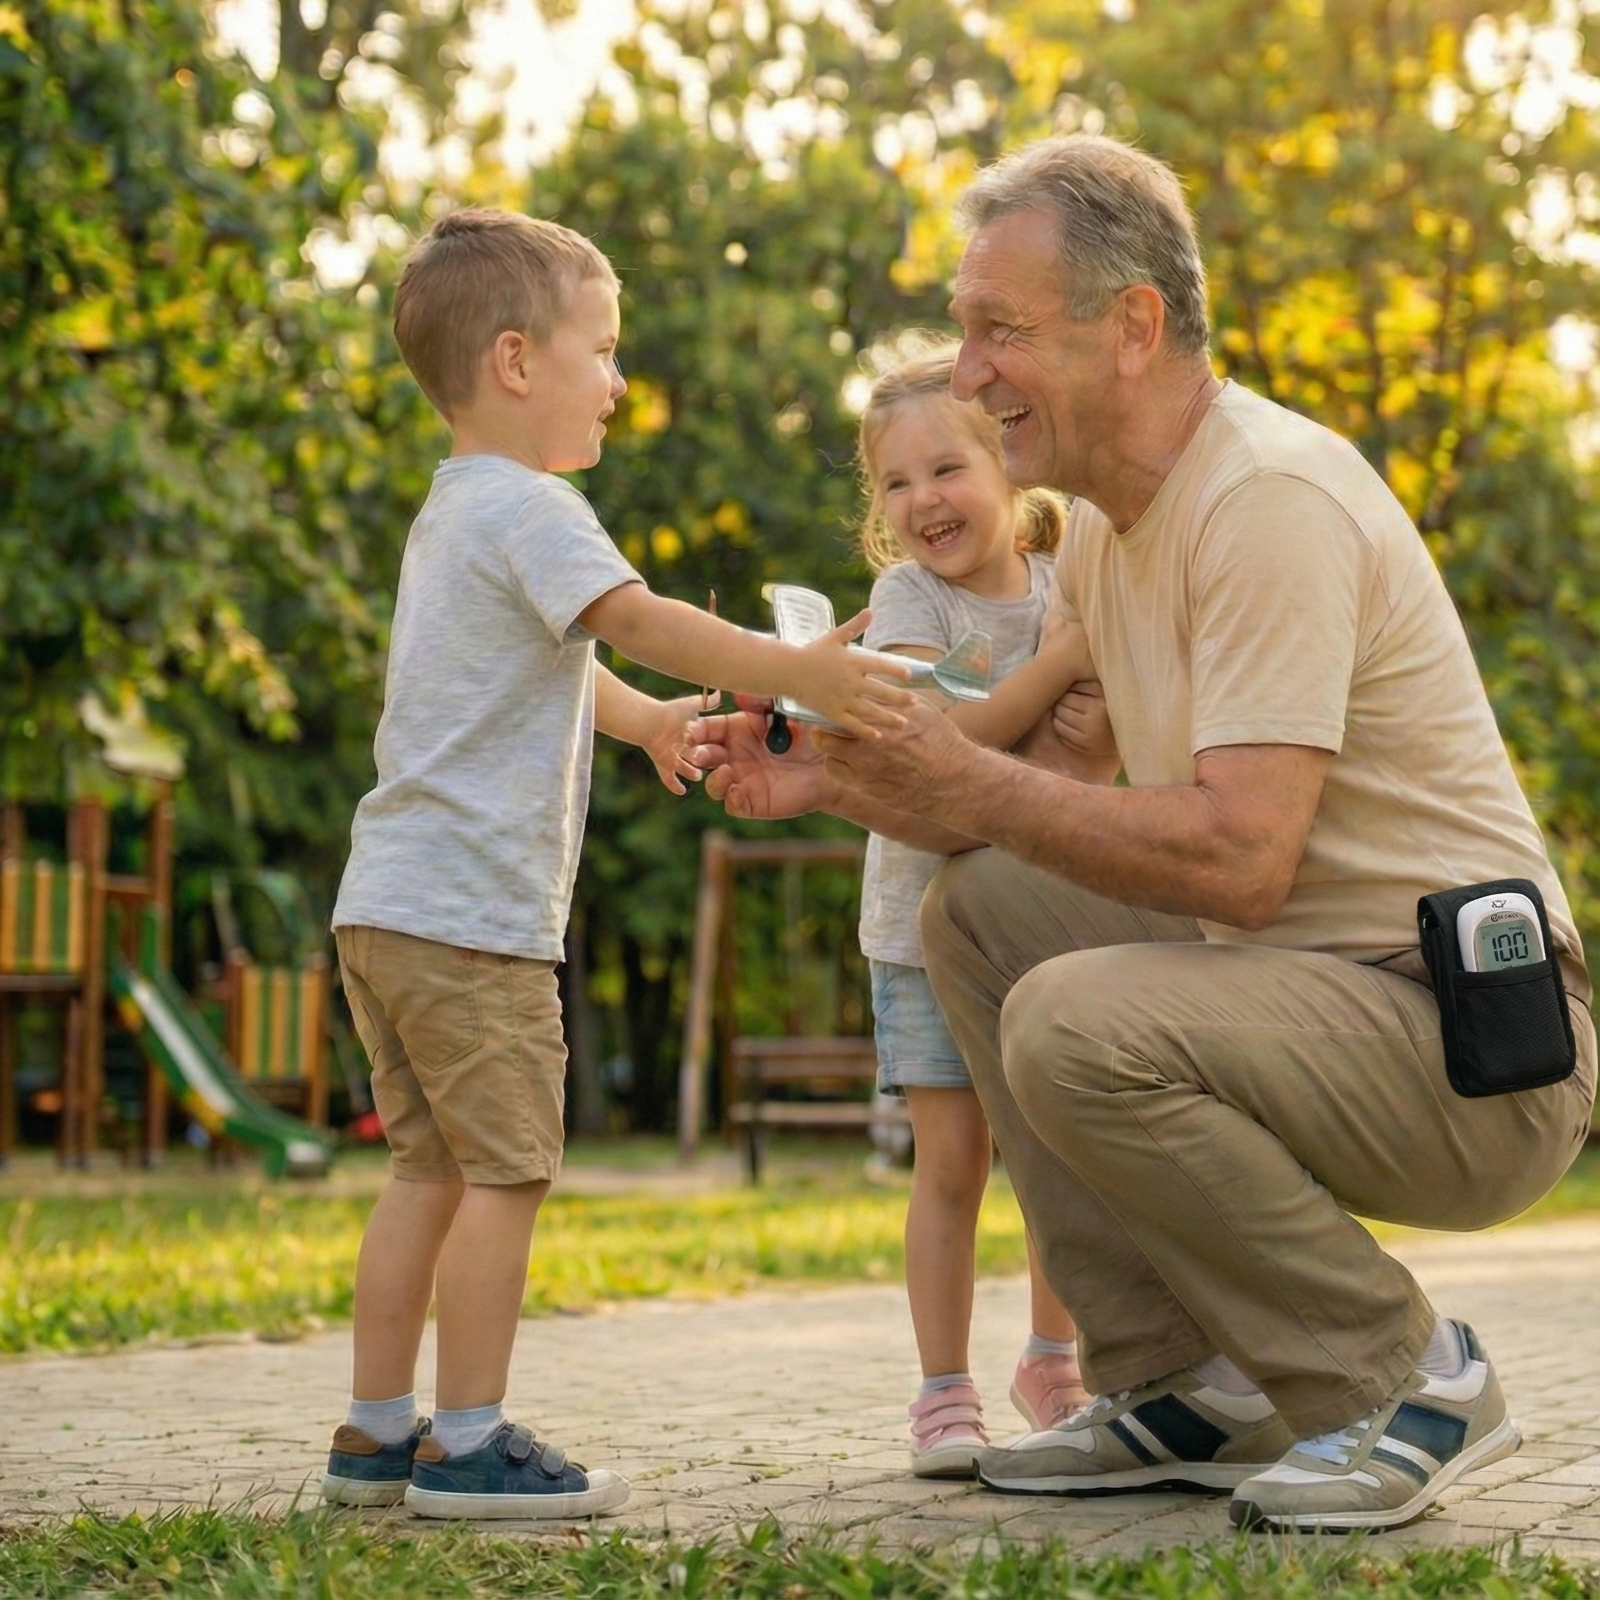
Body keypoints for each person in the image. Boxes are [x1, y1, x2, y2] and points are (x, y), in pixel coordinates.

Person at [692, 135, 1597, 1533]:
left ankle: (1406, 1374)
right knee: (978, 915)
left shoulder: (1267, 501)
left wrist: (963, 788)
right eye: (962, 329)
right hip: (1298, 990)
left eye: (999, 330)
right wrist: (818, 783)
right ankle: (1189, 1381)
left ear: (1133, 327)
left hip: (1474, 1040)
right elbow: (1029, 799)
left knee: (1073, 1014)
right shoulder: (1112, 535)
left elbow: (1239, 856)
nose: (971, 368)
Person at [321, 207, 911, 1520]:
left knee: (426, 1170)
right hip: (472, 920)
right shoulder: (539, 508)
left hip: (387, 908)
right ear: (519, 362)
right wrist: (796, 669)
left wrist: (647, 721)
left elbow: (557, 664)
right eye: (604, 351)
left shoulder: (452, 515)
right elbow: (639, 618)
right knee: (510, 1171)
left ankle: (374, 1434)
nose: (620, 380)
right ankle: (466, 1443)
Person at [849, 335, 1115, 1476]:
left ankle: (1052, 1359)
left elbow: (1086, 765)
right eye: (894, 484)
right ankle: (941, 1391)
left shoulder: (1069, 589)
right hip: (919, 930)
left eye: (945, 470)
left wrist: (1072, 700)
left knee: (1051, 1149)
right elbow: (937, 747)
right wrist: (1055, 672)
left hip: (1049, 918)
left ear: (1012, 469)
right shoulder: (905, 598)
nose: (922, 502)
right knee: (951, 1158)